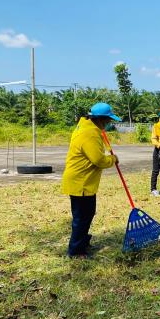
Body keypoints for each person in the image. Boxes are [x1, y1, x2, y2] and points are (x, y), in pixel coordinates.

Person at [61, 103, 120, 258]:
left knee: (88, 213)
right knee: (81, 217)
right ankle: (75, 251)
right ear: (100, 119)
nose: (108, 123)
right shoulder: (90, 133)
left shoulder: (87, 128)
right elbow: (98, 160)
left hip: (84, 181)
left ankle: (83, 242)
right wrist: (113, 159)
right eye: (107, 120)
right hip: (80, 181)